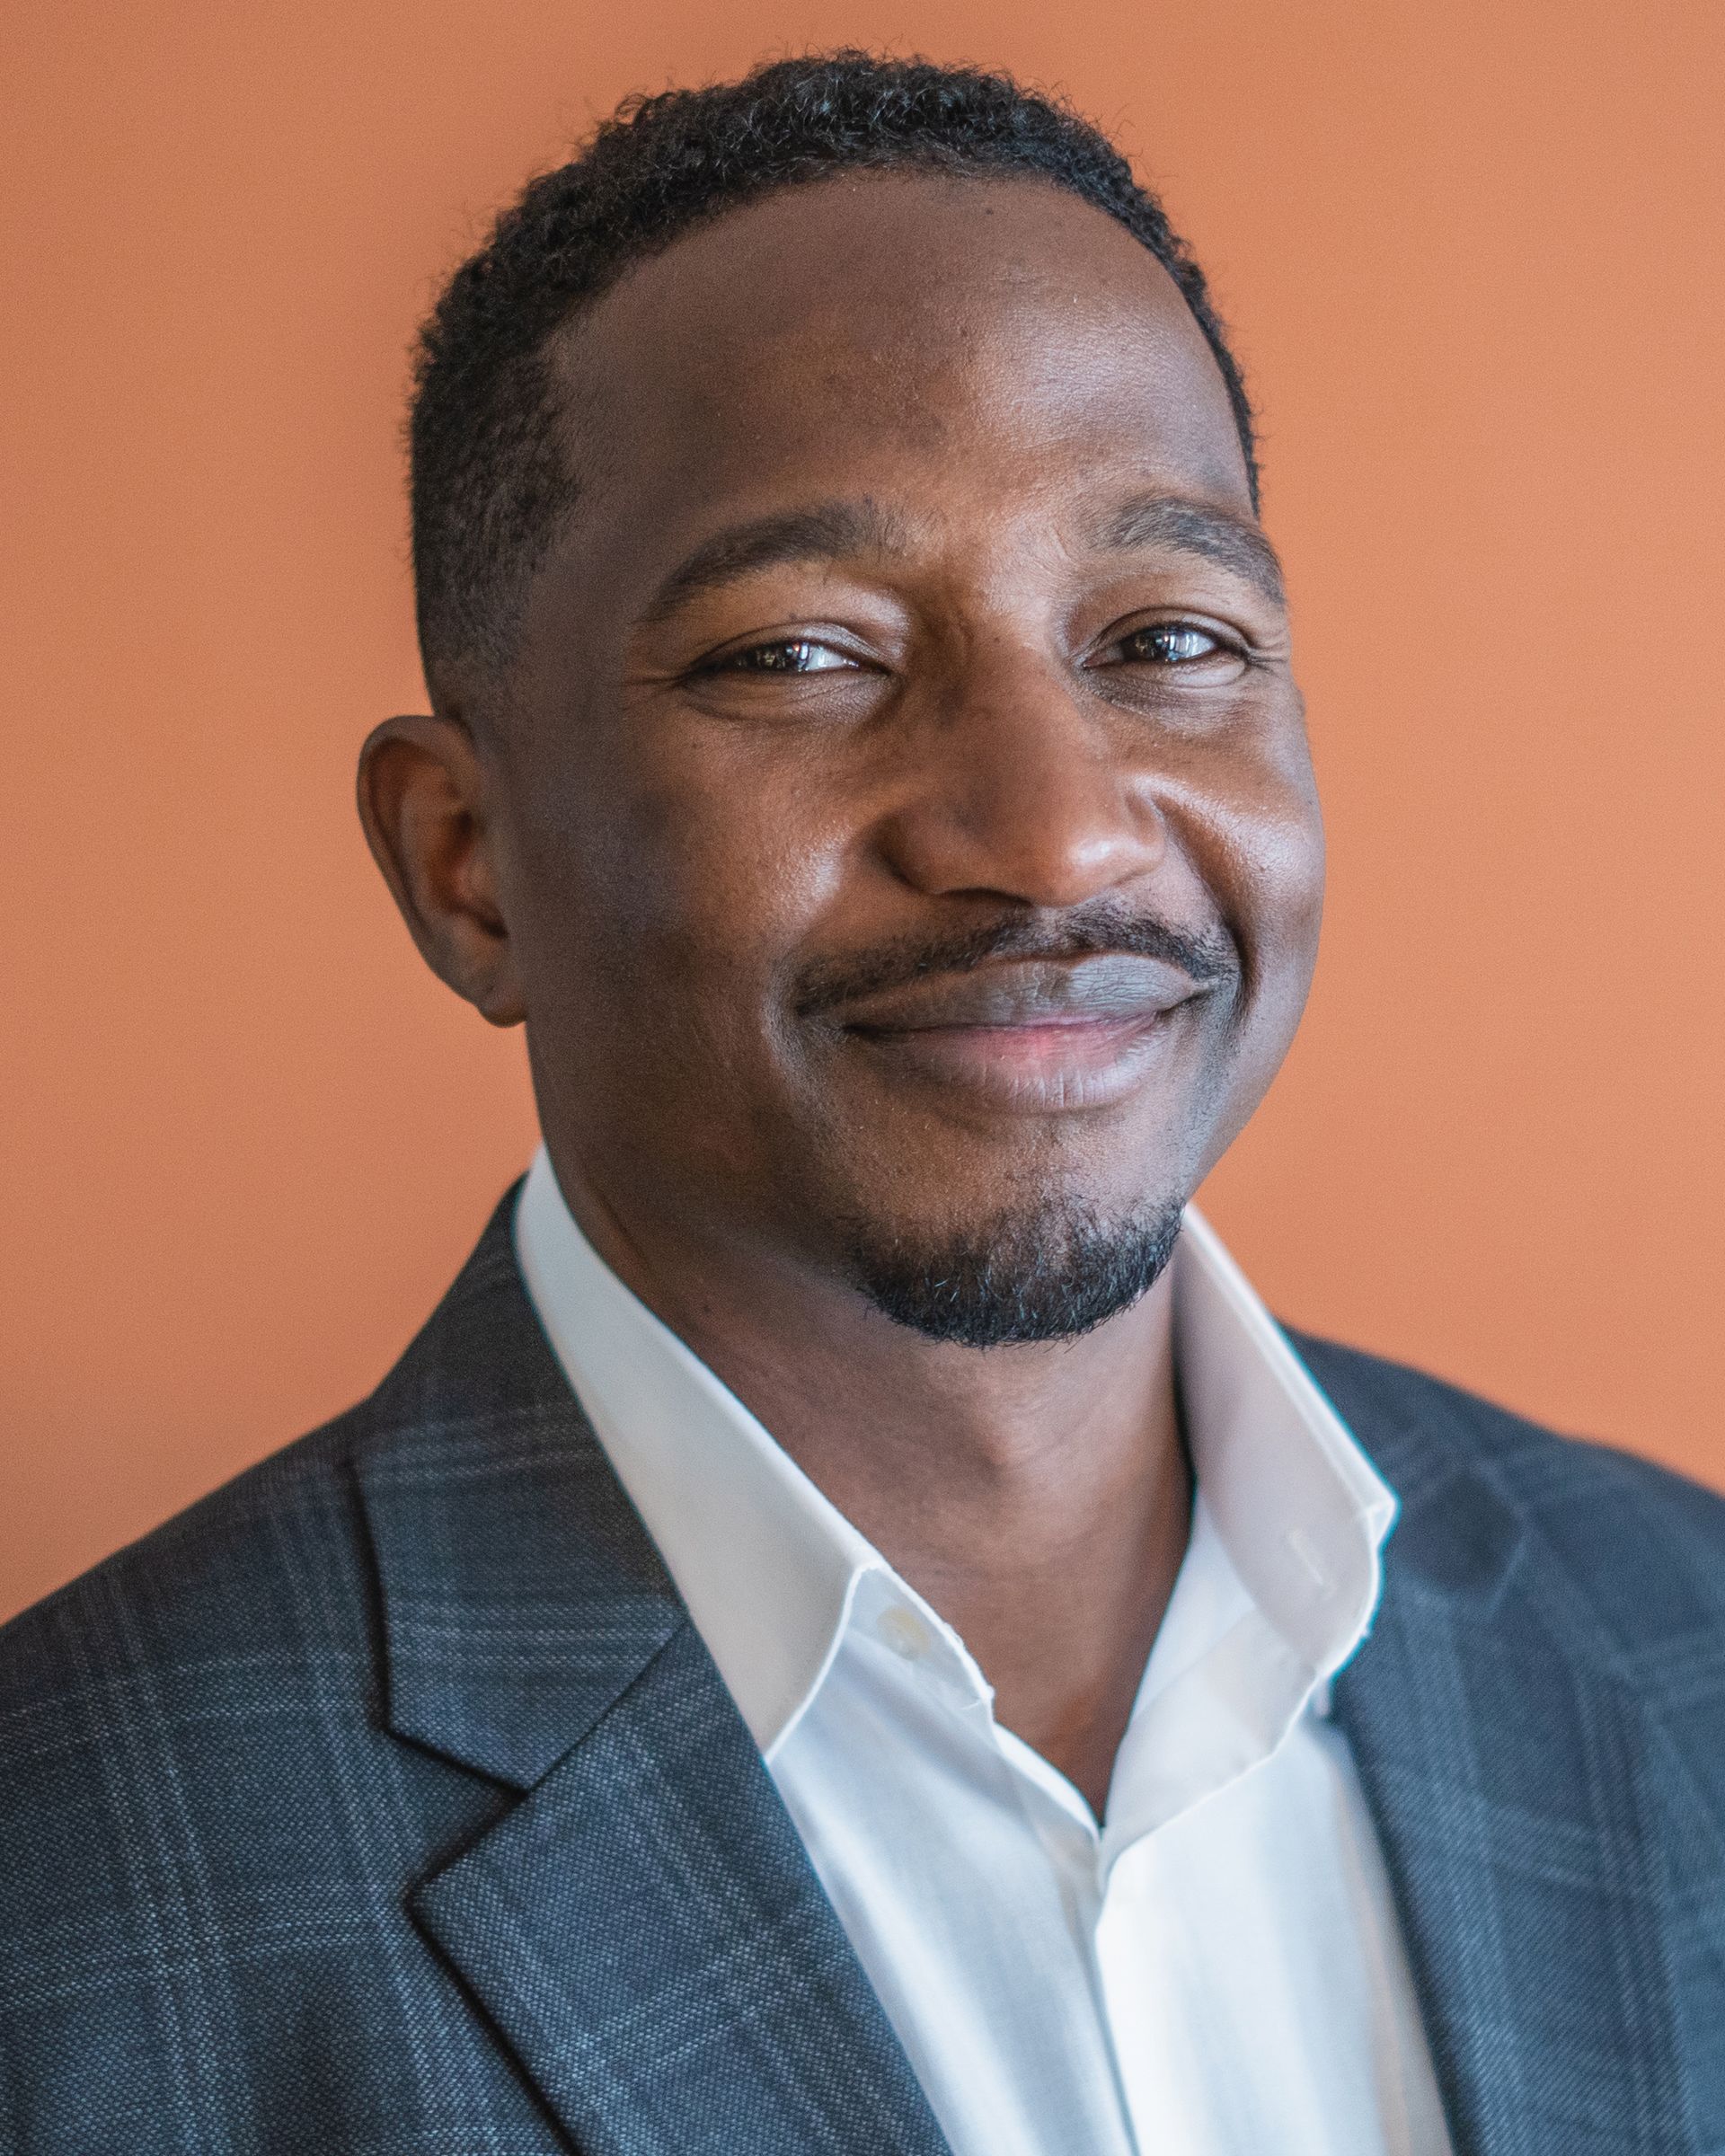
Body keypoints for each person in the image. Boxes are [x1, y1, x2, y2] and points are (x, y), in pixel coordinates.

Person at [0, 49, 1719, 2156]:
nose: (1061, 834)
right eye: (802, 658)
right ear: (467, 862)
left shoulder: (1684, 1649)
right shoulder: (68, 1902)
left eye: (1170, 635)